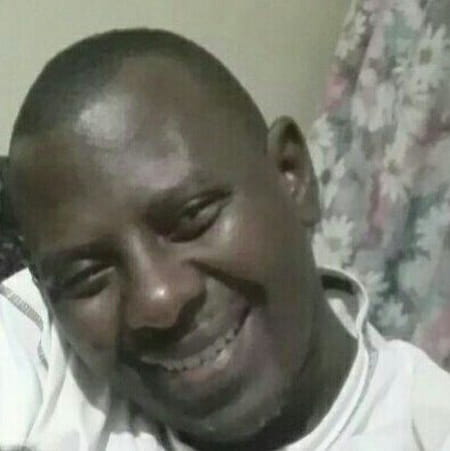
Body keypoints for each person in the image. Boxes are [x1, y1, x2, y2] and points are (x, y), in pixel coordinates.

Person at [0, 29, 449, 451]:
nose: (158, 300)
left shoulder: (427, 427)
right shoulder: (37, 347)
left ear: (291, 175)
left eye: (193, 218)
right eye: (87, 275)